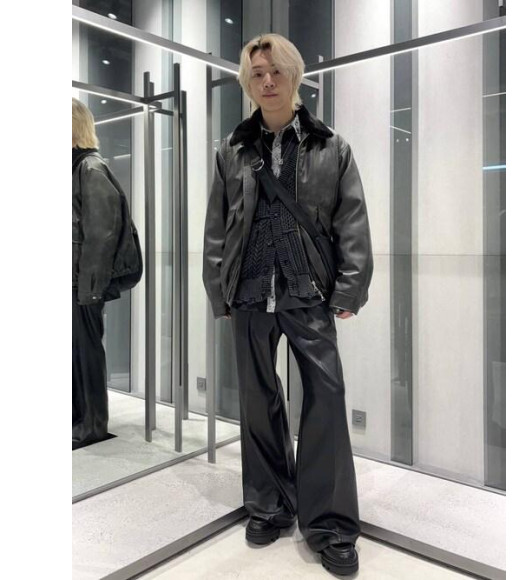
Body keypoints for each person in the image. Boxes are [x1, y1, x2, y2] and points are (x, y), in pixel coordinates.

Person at [203, 34, 373, 575]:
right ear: (247, 83)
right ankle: (270, 505)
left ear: (294, 75)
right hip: (250, 293)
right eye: (257, 73)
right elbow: (216, 227)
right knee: (258, 402)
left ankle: (331, 524)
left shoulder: (331, 147)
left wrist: (350, 287)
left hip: (308, 292)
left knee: (325, 398)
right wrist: (218, 290)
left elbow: (352, 220)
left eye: (276, 70)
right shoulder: (231, 150)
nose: (268, 81)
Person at [72, 97, 140, 449]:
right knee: (73, 355)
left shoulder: (91, 169)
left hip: (83, 285)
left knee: (86, 354)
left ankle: (93, 426)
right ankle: (77, 419)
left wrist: (90, 289)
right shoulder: (75, 168)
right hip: (75, 282)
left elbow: (101, 235)